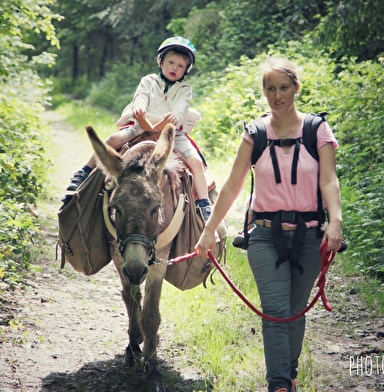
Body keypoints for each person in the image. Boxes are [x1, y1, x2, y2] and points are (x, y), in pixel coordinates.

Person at [194, 57, 343, 392]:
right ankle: (279, 384)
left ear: (296, 89)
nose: (277, 95)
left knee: (294, 312)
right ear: (263, 92)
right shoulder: (255, 134)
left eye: (284, 88)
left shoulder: (317, 130)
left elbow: (329, 180)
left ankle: (286, 372)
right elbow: (232, 185)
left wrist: (336, 221)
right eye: (271, 89)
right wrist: (208, 230)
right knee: (275, 311)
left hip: (309, 235)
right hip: (264, 235)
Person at [63, 36, 212, 221]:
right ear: (160, 61)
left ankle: (204, 203)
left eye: (180, 66)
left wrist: (176, 116)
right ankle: (84, 172)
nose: (174, 68)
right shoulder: (148, 81)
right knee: (112, 141)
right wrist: (139, 108)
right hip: (142, 126)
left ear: (186, 70)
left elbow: (182, 107)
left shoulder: (184, 89)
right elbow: (140, 97)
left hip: (171, 131)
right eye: (171, 62)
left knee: (196, 161)